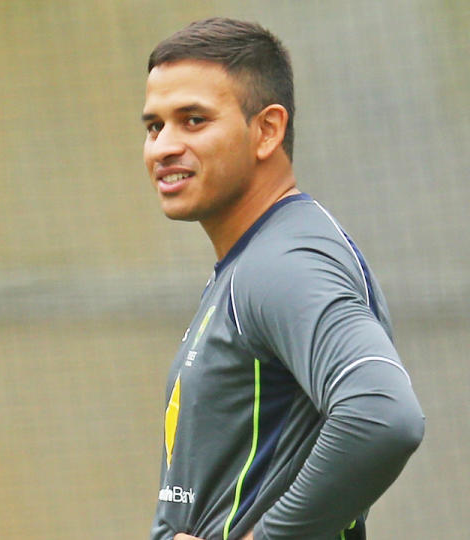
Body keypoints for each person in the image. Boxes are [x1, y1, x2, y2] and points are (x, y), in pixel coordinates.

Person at [141, 18, 424, 540]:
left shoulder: (286, 262)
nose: (162, 148)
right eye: (155, 126)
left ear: (267, 130)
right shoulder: (255, 259)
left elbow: (383, 413)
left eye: (194, 120)